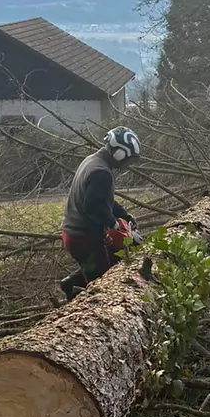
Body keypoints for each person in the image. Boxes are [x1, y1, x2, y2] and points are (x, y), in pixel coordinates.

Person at [58, 127, 142, 300]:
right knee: (104, 286)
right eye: (128, 159)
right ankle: (84, 306)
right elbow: (92, 206)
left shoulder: (93, 161)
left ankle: (71, 284)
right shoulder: (101, 173)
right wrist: (114, 224)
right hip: (83, 237)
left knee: (110, 259)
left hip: (73, 233)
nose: (127, 165)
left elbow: (103, 200)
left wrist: (125, 216)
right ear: (120, 153)